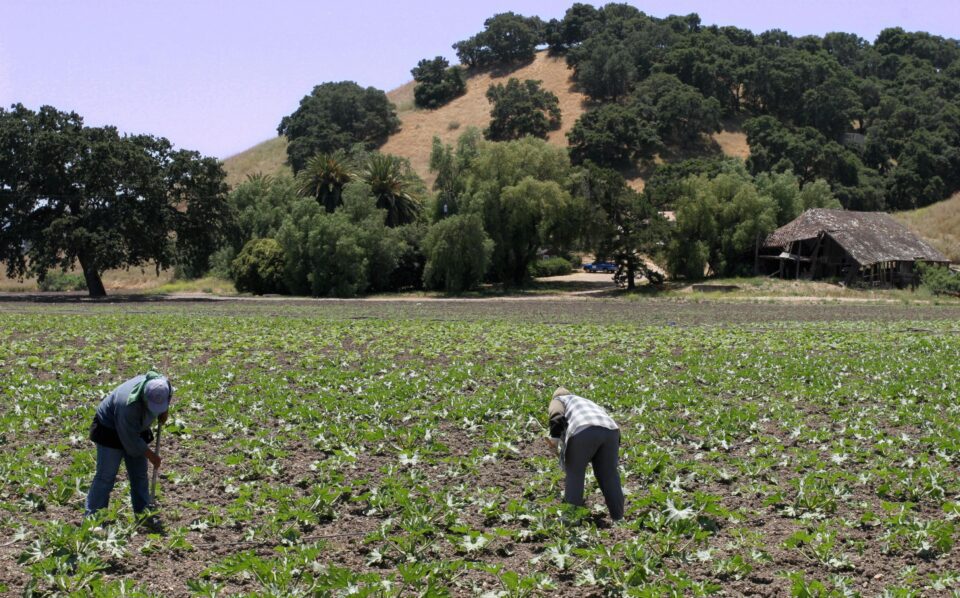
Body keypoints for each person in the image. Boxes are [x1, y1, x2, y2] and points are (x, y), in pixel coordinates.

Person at [85, 371, 172, 521]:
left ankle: (143, 513)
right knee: (106, 475)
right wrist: (152, 456)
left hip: (137, 428)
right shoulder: (127, 405)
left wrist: (164, 410)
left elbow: (167, 396)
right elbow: (130, 439)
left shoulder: (164, 386)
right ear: (144, 397)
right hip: (110, 429)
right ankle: (94, 517)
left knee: (139, 474)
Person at [545, 387, 624, 521]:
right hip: (612, 431)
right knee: (609, 475)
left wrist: (555, 439)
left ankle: (570, 518)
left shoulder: (559, 400)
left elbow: (557, 414)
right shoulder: (585, 401)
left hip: (583, 430)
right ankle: (618, 517)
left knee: (575, 473)